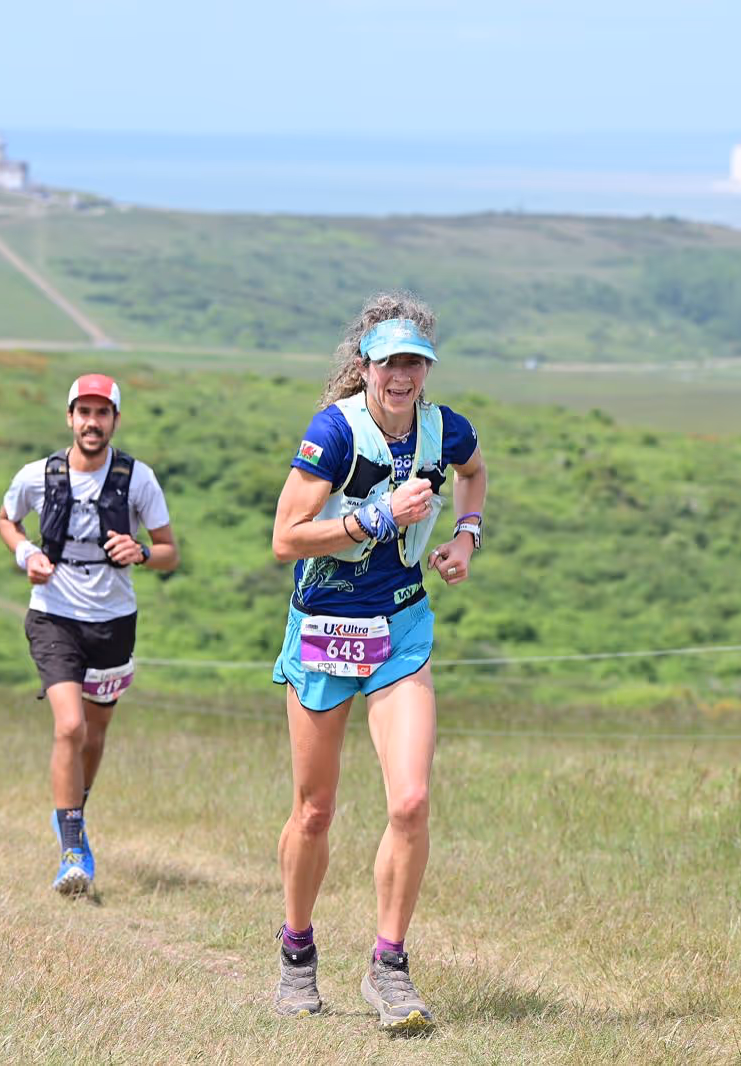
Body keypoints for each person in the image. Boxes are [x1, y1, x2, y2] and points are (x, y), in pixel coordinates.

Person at [268, 292, 487, 1031]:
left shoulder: (442, 429)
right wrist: (372, 518)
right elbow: (285, 538)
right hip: (325, 630)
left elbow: (475, 472)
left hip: (400, 627)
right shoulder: (334, 433)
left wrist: (466, 537)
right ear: (364, 367)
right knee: (315, 808)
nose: (401, 375)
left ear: (426, 370)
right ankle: (297, 952)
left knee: (411, 801)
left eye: (414, 363)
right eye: (389, 362)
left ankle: (389, 967)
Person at [0, 373, 179, 896]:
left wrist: (141, 552)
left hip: (114, 621)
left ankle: (72, 810)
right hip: (53, 616)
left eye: (103, 413)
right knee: (70, 727)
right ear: (70, 417)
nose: (92, 422)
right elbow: (7, 520)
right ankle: (73, 850)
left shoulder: (138, 480)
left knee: (94, 736)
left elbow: (169, 551)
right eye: (84, 412)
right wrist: (25, 552)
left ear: (115, 421)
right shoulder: (38, 475)